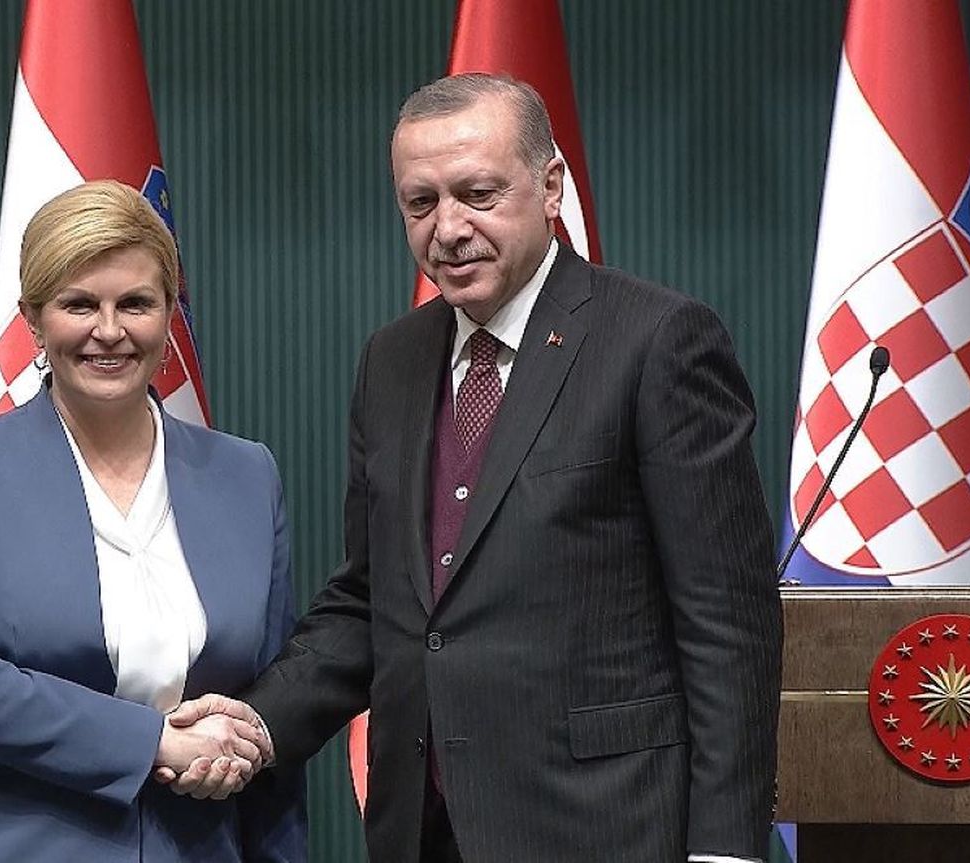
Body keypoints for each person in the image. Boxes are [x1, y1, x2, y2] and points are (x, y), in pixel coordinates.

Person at [161, 74, 782, 863]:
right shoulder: (392, 360)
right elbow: (373, 601)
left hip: (607, 828)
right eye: (420, 203)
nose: (449, 228)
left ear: (550, 187)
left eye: (479, 194)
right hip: (423, 831)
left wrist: (726, 849)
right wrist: (257, 721)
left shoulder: (657, 340)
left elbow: (727, 623)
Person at [0, 180, 304, 862]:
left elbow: (269, 706)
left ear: (169, 316)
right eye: (79, 304)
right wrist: (156, 744)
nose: (109, 331)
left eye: (136, 303)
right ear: (33, 320)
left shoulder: (246, 475)